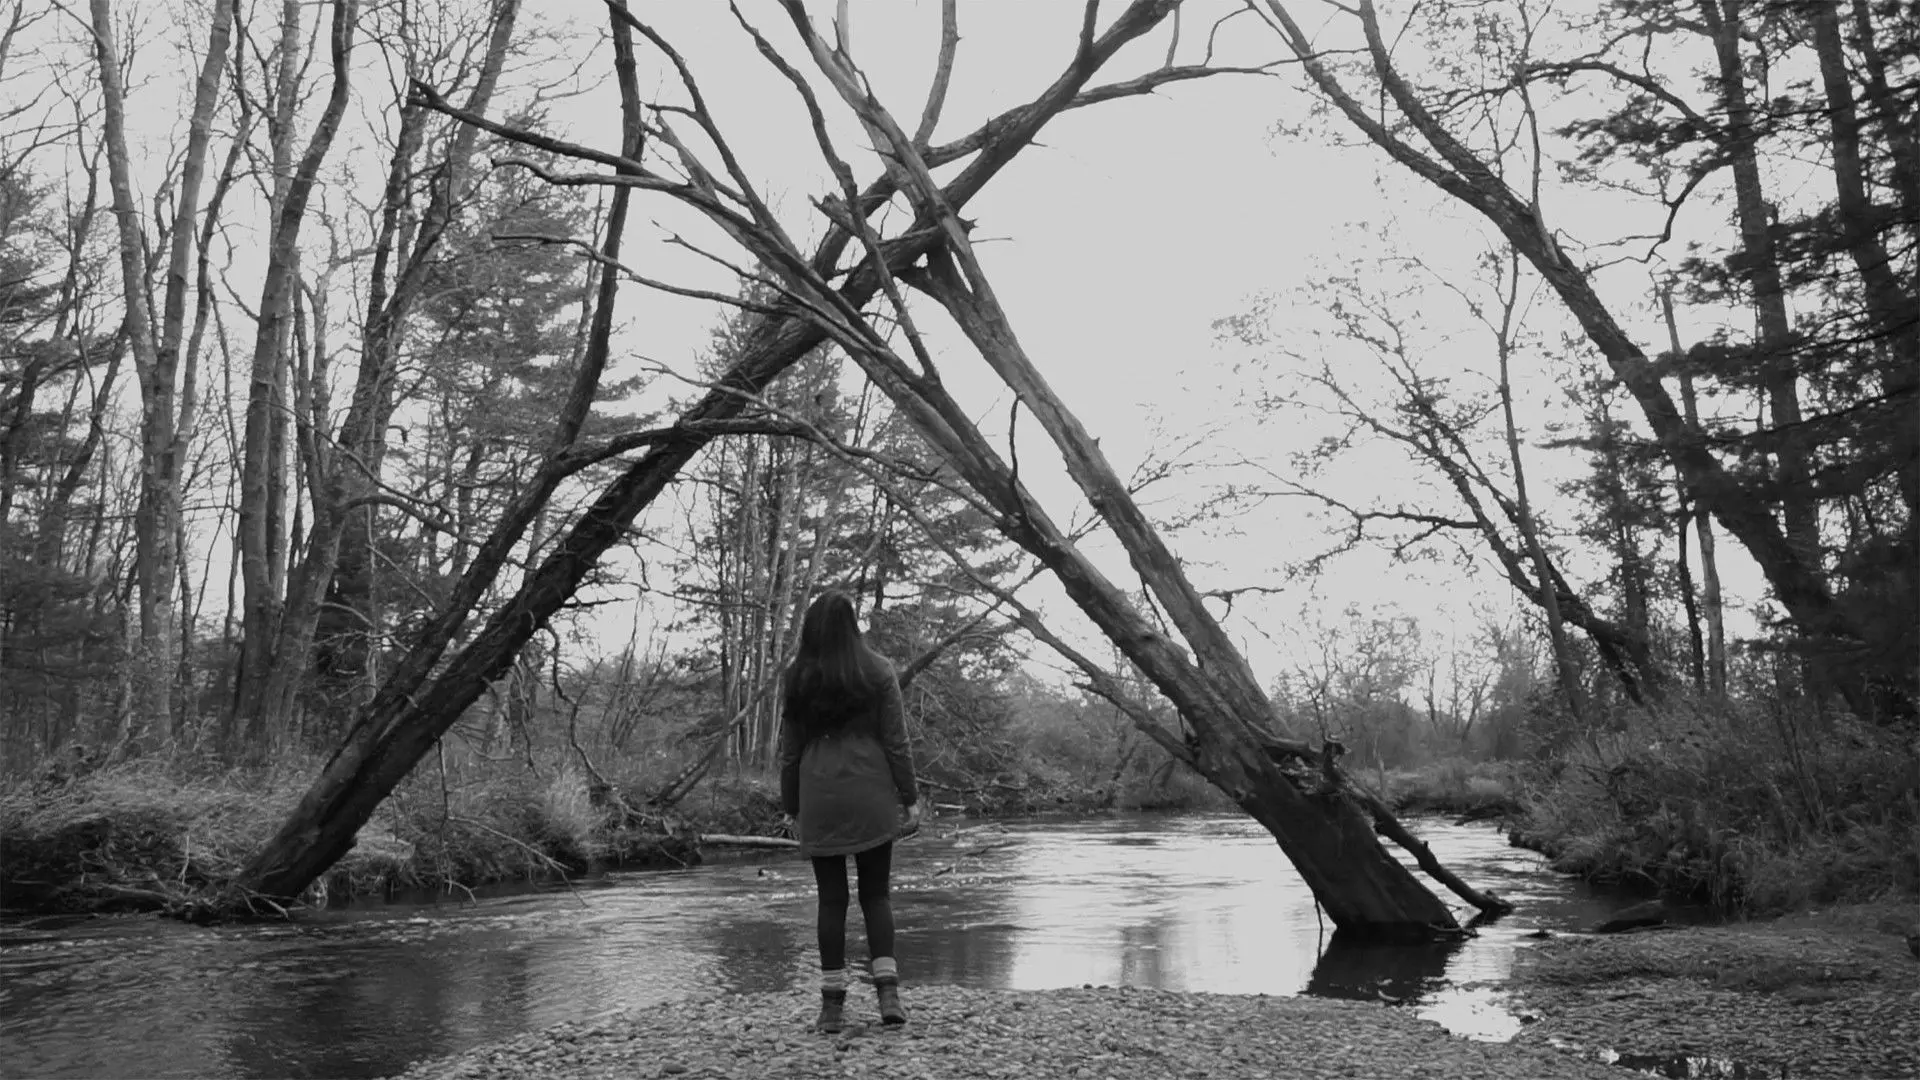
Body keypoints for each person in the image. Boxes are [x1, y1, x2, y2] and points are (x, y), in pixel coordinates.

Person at [778, 591, 923, 1034]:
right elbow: (896, 742)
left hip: (820, 792)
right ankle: (888, 996)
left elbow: (789, 753)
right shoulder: (878, 670)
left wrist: (791, 805)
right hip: (871, 791)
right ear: (853, 624)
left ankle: (832, 1007)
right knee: (876, 895)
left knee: (831, 900)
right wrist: (910, 795)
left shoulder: (798, 675)